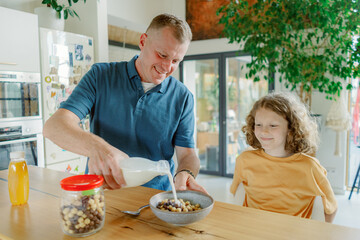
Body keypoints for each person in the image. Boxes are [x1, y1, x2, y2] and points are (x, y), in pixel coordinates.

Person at [43, 13, 207, 194]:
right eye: (162, 55)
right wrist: (99, 148)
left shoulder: (183, 97)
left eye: (175, 61)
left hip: (155, 198)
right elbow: (54, 127)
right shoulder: (101, 76)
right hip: (101, 194)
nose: (167, 67)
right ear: (143, 42)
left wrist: (185, 172)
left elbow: (188, 154)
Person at [230, 92, 337, 222]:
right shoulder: (244, 160)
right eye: (258, 124)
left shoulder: (310, 167)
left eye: (273, 125)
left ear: (291, 128)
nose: (264, 131)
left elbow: (331, 209)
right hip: (253, 230)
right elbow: (237, 197)